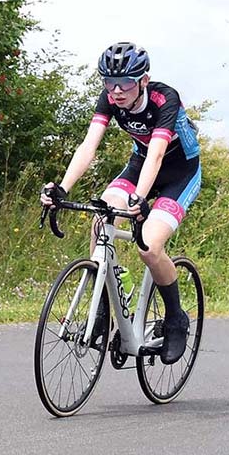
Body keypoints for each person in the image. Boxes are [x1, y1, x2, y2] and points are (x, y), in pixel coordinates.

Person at [40, 42, 200, 363]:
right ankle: (101, 310)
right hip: (140, 165)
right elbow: (89, 146)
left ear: (143, 80)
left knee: (149, 247)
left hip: (178, 173)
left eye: (125, 82)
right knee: (102, 213)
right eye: (108, 82)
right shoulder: (111, 98)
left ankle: (175, 318)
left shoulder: (164, 98)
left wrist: (140, 200)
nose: (116, 90)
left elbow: (157, 153)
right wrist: (63, 188)